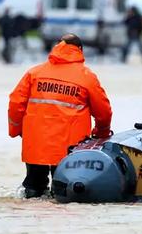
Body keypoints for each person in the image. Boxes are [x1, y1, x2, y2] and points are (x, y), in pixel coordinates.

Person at [8, 33, 113, 198]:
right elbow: (103, 112)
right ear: (80, 50)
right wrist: (102, 133)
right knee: (64, 193)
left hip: (36, 144)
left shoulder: (34, 73)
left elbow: (15, 104)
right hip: (70, 149)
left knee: (33, 191)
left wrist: (16, 130)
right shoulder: (86, 77)